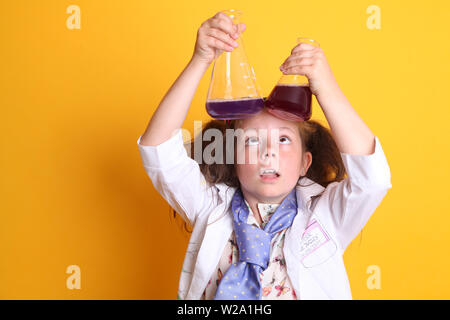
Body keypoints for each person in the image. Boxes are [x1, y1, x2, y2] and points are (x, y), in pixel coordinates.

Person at [136, 11, 392, 300]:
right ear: (232, 155)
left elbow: (373, 179)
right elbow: (158, 151)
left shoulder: (326, 215)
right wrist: (201, 59)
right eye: (252, 140)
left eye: (283, 139)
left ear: (304, 163)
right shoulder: (209, 207)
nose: (268, 151)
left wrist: (326, 88)